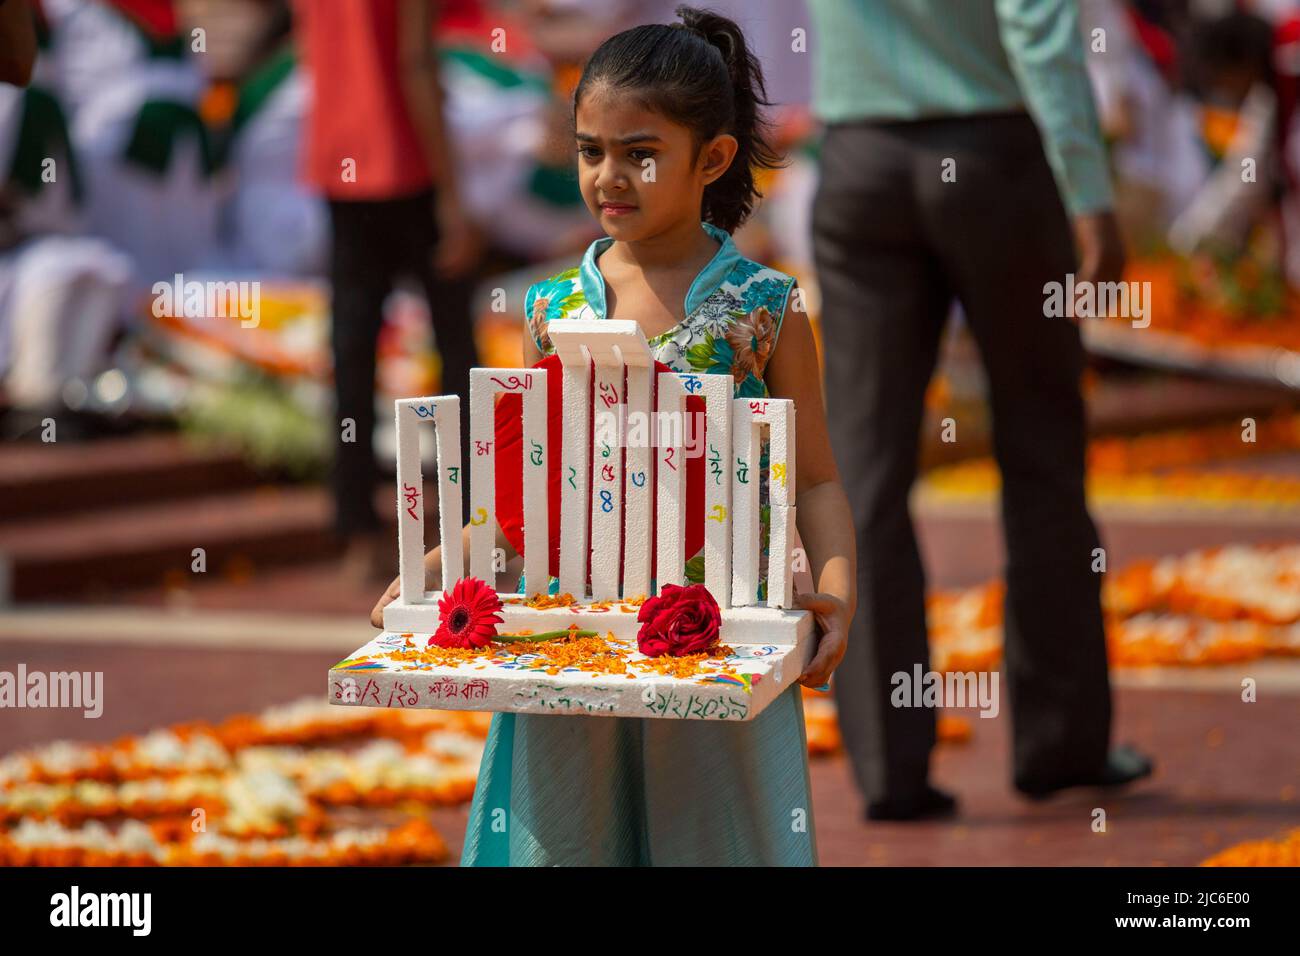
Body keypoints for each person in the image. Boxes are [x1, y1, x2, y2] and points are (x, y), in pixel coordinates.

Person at [371, 5, 857, 866]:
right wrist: (440, 570)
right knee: (568, 835)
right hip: (576, 628)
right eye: (590, 151)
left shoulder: (763, 306)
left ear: (712, 158)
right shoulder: (549, 308)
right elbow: (517, 481)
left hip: (715, 630)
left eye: (641, 154)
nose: (609, 178)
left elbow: (814, 478)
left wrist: (836, 594)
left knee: (710, 836)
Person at [806, 0, 1154, 821]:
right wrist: (1089, 189)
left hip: (857, 158)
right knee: (1041, 448)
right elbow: (1038, 25)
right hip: (995, 153)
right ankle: (1060, 744)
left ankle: (890, 766)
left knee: (864, 467)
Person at [296, 0, 479, 583]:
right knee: (457, 348)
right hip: (408, 162)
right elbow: (415, 63)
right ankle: (473, 524)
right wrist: (453, 196)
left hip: (340, 158)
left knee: (350, 349)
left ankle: (356, 527)